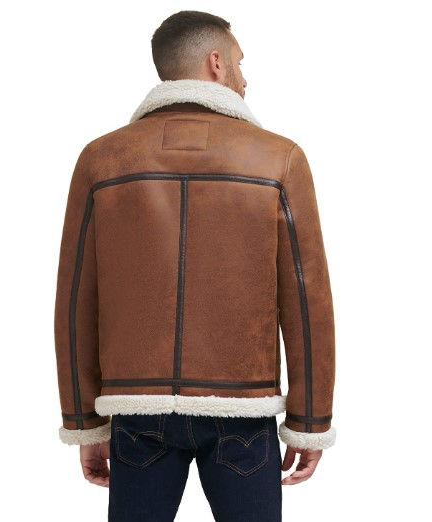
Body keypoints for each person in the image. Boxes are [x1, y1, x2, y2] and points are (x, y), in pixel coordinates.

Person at [53, 9, 336, 522]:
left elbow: (76, 301)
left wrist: (83, 422)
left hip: (136, 412)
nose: (246, 77)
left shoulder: (101, 159)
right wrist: (309, 421)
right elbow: (306, 298)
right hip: (243, 413)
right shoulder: (279, 158)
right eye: (241, 62)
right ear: (216, 63)